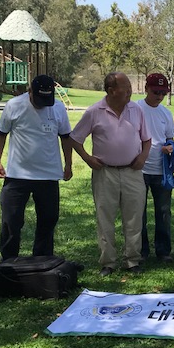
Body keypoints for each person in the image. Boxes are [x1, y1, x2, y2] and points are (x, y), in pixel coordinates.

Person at [70, 72, 151, 276]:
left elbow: (147, 139)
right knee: (105, 218)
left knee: (134, 218)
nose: (130, 91)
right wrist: (88, 159)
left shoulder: (136, 110)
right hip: (105, 173)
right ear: (111, 90)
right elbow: (75, 138)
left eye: (130, 86)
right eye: (126, 87)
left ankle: (132, 260)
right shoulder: (94, 112)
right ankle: (108, 262)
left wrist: (143, 157)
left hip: (132, 172)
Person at [0, 75, 73, 260]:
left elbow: (66, 137)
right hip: (17, 174)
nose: (43, 104)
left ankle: (42, 261)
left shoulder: (58, 107)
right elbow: (0, 134)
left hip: (48, 175)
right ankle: (9, 261)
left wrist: (68, 163)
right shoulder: (14, 105)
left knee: (48, 220)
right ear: (30, 92)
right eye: (39, 99)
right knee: (11, 221)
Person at [136, 73, 174, 263]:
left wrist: (169, 146)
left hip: (161, 169)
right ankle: (141, 251)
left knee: (163, 211)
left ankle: (163, 250)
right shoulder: (136, 108)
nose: (159, 96)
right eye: (156, 92)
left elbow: (169, 137)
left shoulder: (165, 113)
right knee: (139, 212)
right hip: (140, 168)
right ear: (146, 89)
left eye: (163, 93)